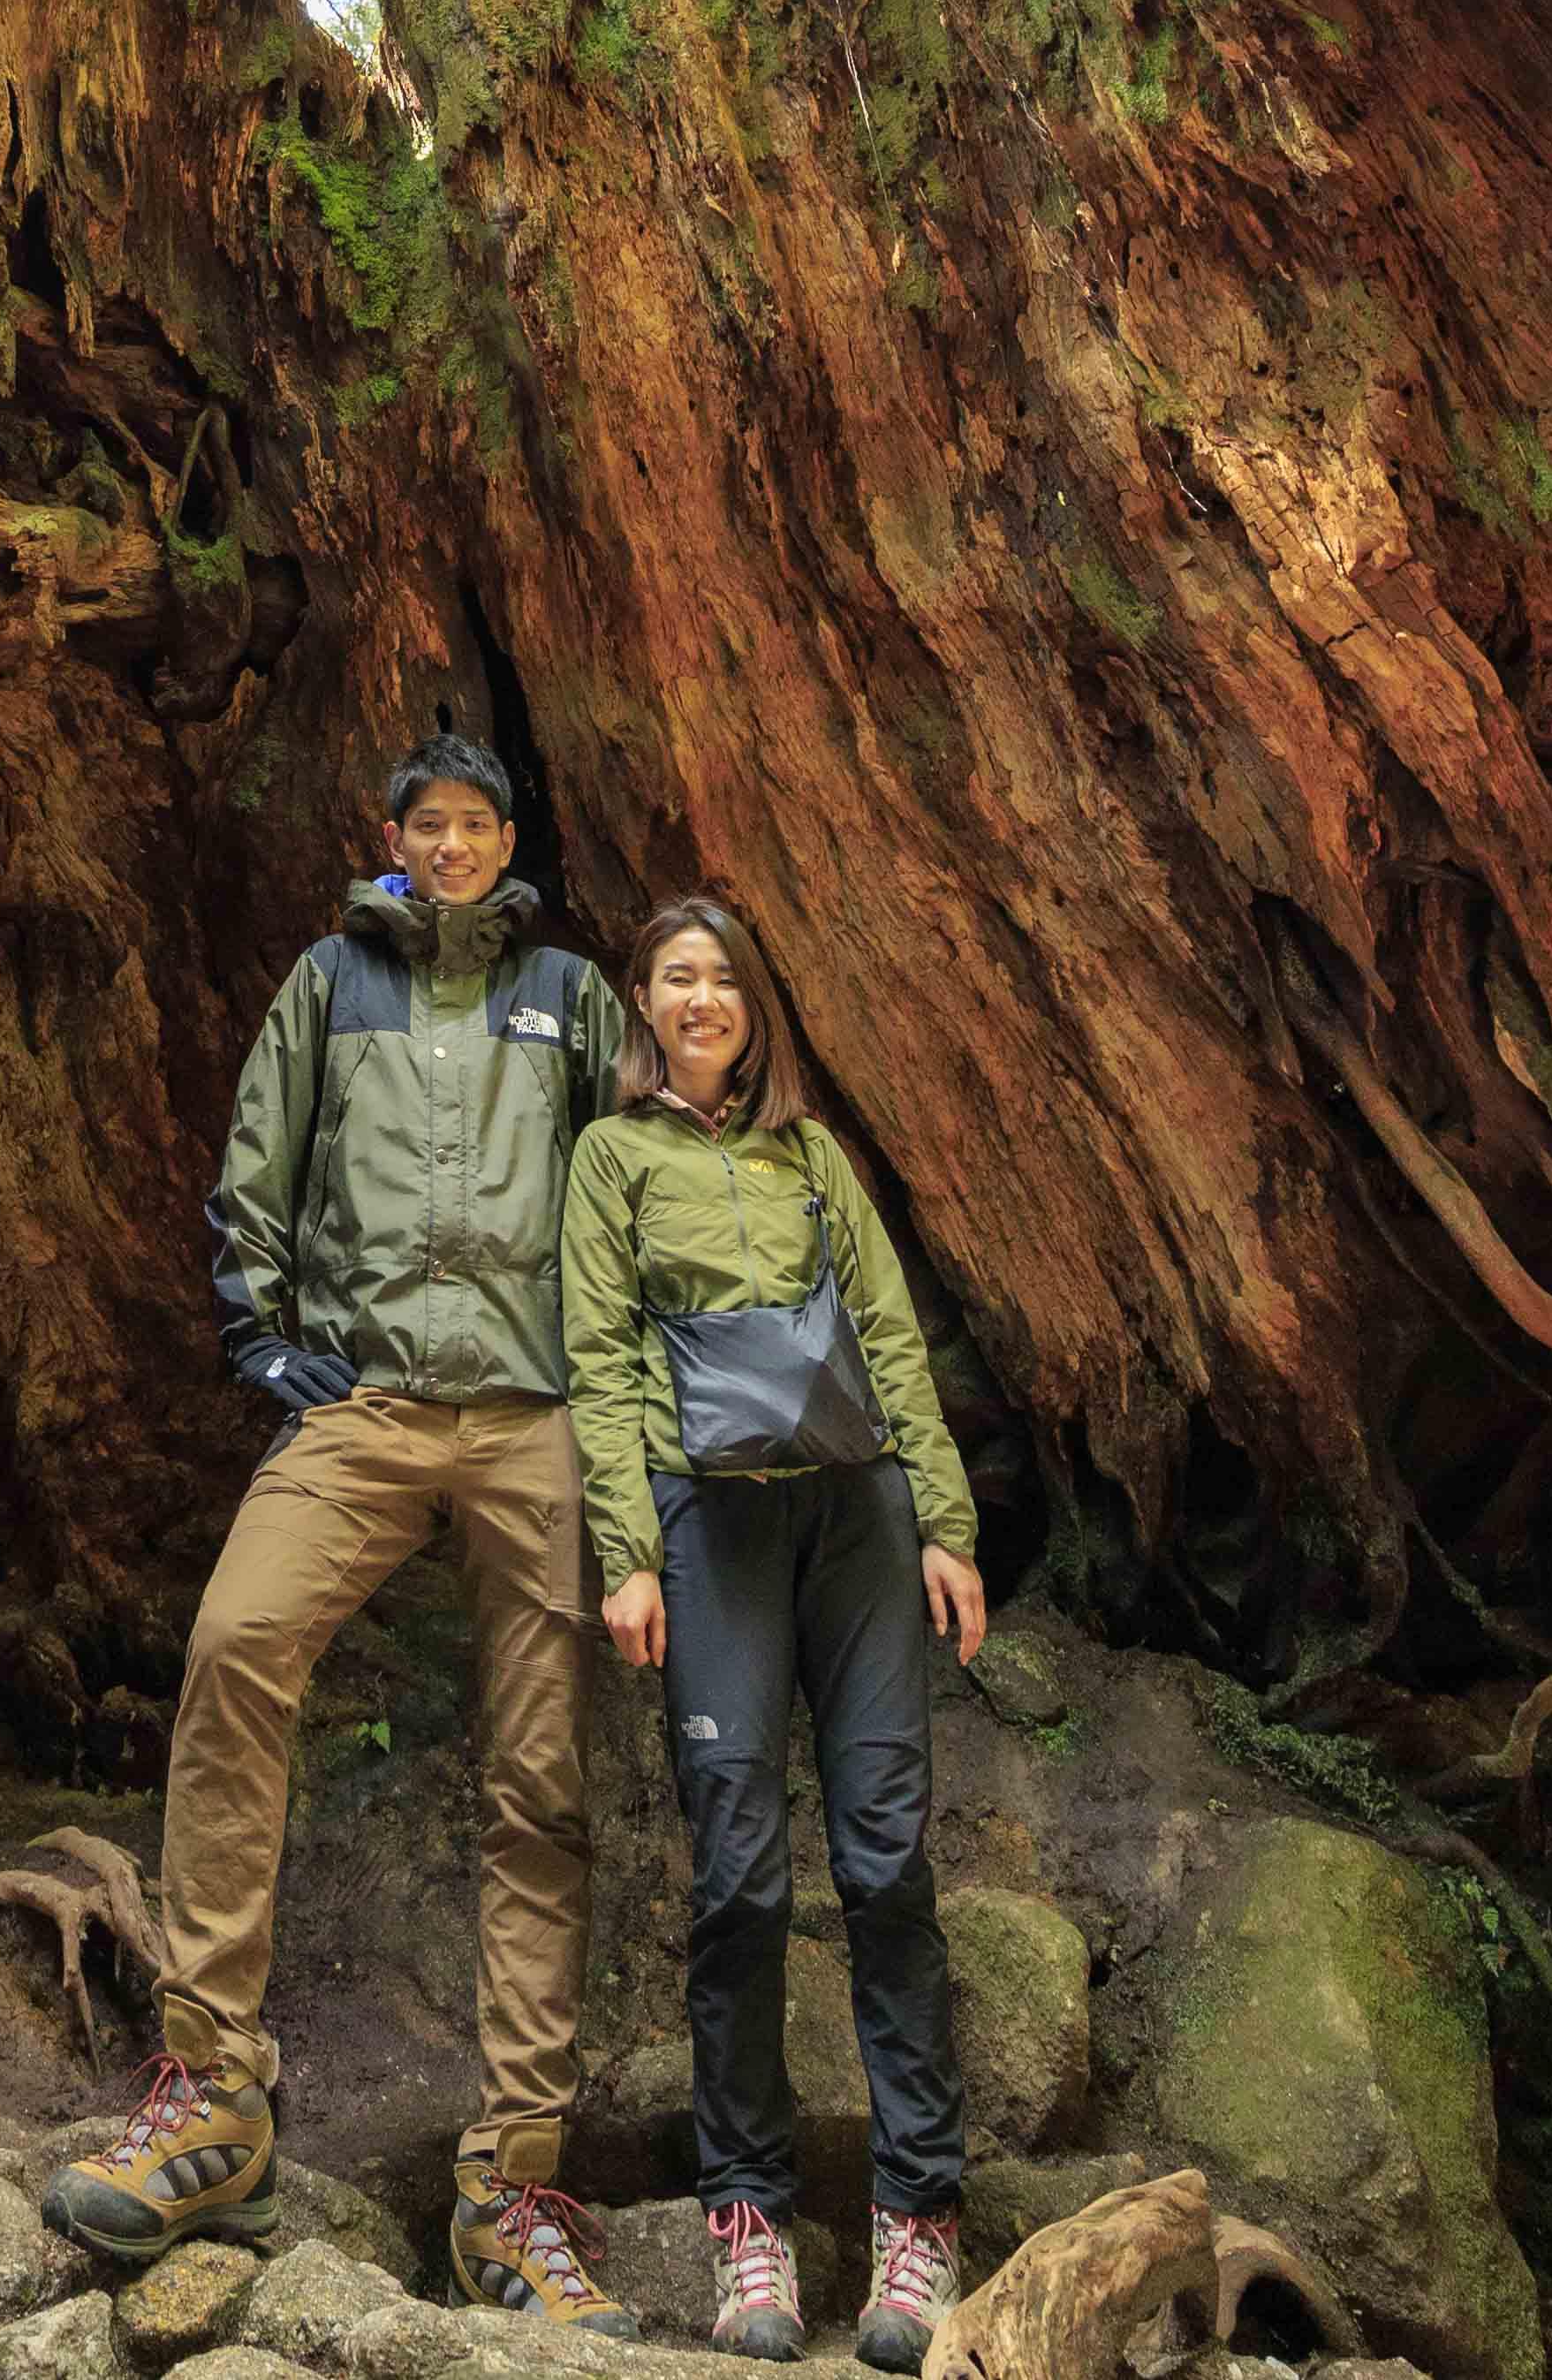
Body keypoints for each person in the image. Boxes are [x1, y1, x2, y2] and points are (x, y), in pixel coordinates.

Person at [44, 734, 641, 2337]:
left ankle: (512, 2188)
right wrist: (265, 1342)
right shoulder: (331, 980)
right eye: (426, 825)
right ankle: (216, 2098)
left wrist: (619, 1390)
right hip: (367, 1404)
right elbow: (260, 1157)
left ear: (508, 838)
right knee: (239, 1644)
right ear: (394, 838)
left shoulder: (574, 997)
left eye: (477, 824)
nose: (451, 847)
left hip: (530, 1416)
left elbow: (633, 1176)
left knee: (539, 1771)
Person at [559, 898, 988, 2374]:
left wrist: (947, 1523)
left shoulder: (813, 1159)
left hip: (857, 1522)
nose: (702, 998)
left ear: (757, 1007)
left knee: (886, 1858)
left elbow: (887, 1330)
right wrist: (627, 1553)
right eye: (678, 978)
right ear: (644, 1005)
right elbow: (600, 1356)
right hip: (711, 1531)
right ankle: (748, 2217)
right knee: (738, 1872)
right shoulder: (612, 1159)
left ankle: (918, 2221)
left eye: (724, 977)